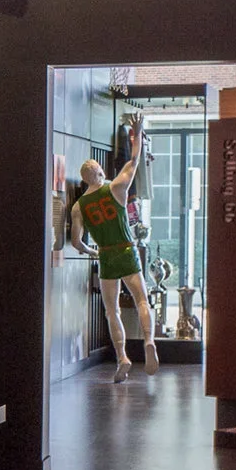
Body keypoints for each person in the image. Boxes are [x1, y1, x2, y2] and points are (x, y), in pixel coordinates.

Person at [69, 144, 158, 385]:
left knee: (112, 310)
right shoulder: (115, 188)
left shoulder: (79, 206)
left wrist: (92, 251)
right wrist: (137, 136)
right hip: (127, 250)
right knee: (141, 299)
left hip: (106, 256)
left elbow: (76, 242)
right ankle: (149, 340)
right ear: (99, 172)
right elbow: (134, 161)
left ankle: (122, 358)